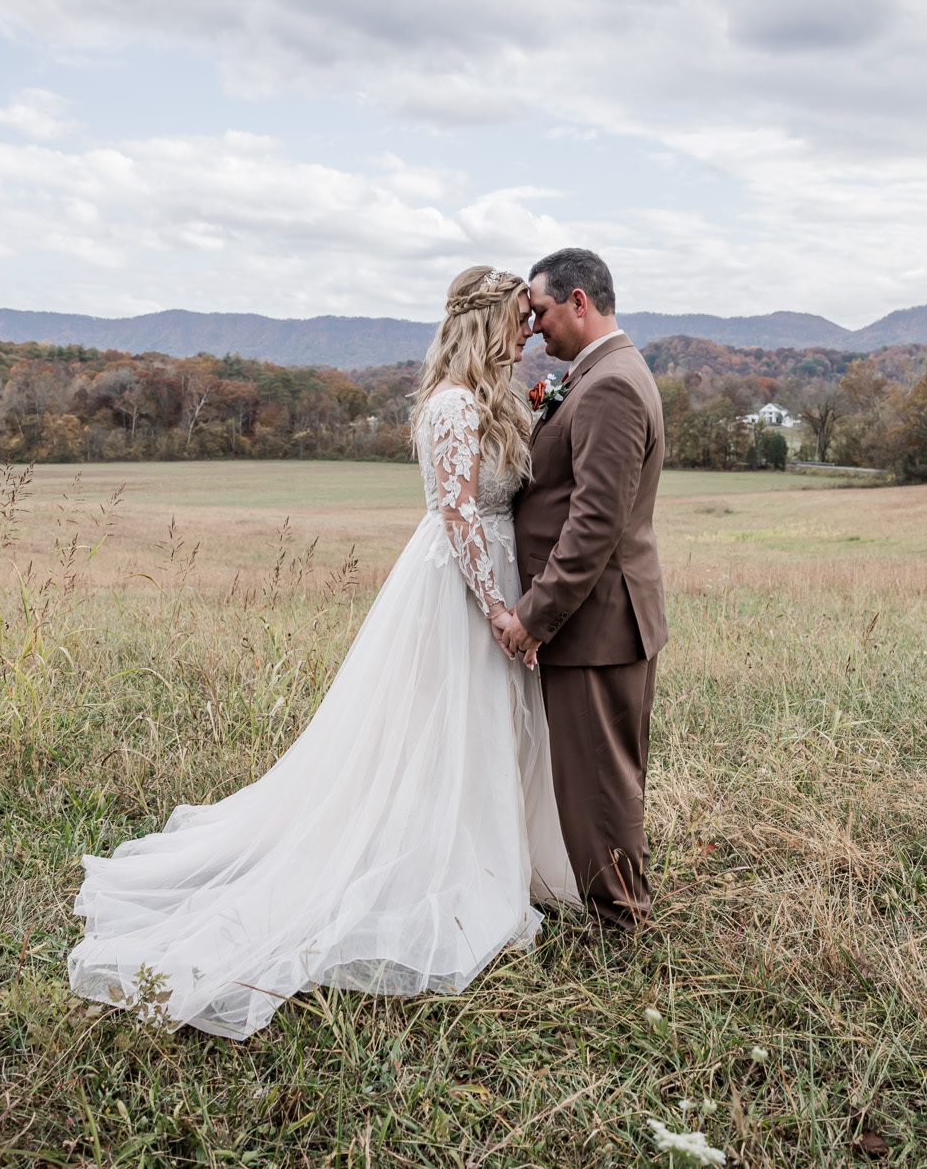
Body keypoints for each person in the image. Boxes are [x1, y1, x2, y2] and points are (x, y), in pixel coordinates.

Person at [68, 265, 577, 1040]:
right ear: (484, 324)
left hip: (503, 580)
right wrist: (501, 608)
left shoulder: (497, 401)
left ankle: (487, 854)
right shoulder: (449, 407)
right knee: (443, 726)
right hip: (463, 589)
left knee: (487, 726)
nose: (528, 333)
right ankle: (431, 865)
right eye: (517, 320)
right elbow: (459, 518)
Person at [494, 247, 667, 939]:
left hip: (599, 621)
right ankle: (615, 902)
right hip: (599, 620)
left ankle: (621, 923)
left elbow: (596, 522)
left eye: (538, 311)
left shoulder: (612, 386)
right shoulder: (597, 376)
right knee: (602, 772)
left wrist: (534, 617)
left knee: (600, 777)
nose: (533, 328)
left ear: (578, 302)